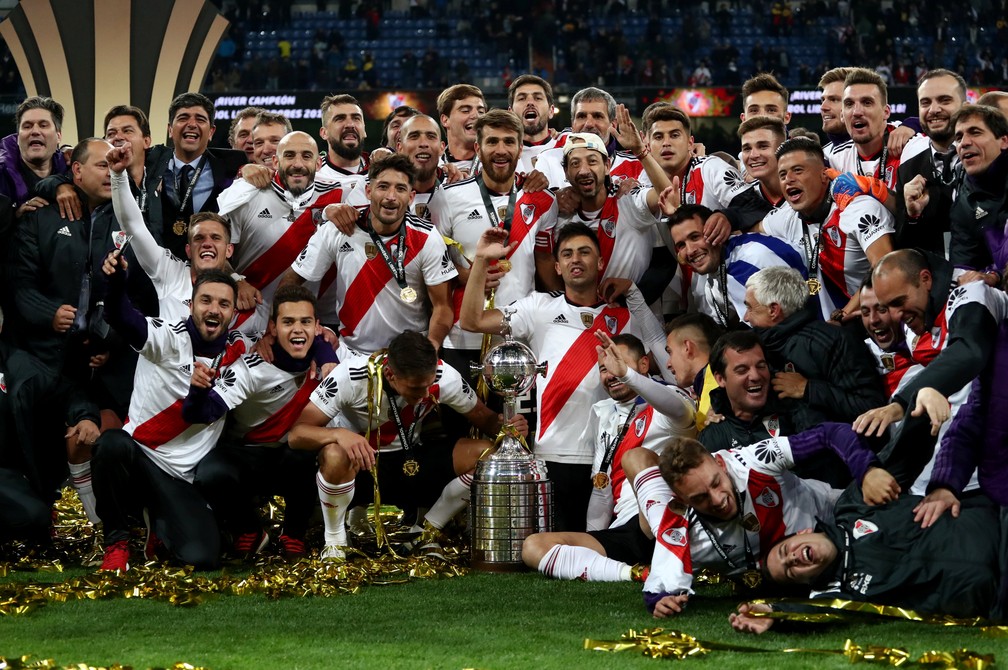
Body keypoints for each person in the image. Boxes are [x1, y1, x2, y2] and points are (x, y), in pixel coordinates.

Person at [459, 222, 651, 532]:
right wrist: (481, 260)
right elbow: (472, 320)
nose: (576, 259)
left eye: (585, 252)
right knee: (557, 550)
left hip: (613, 453)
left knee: (604, 548)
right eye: (567, 254)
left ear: (600, 262)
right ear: (558, 267)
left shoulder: (627, 318)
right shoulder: (539, 307)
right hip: (554, 455)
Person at [733, 416, 1004, 632]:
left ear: (802, 532)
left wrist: (921, 405)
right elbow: (817, 612)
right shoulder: (841, 594)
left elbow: (905, 455)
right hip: (999, 598)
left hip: (999, 529)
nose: (793, 559)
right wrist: (776, 613)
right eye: (790, 571)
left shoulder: (855, 503)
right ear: (805, 582)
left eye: (785, 552)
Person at [288, 331, 521, 560]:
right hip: (361, 466)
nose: (424, 395)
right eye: (415, 389)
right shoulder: (350, 375)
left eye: (428, 386)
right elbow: (297, 434)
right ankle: (335, 541)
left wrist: (509, 425)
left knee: (489, 454)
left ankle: (427, 529)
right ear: (390, 375)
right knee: (334, 453)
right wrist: (339, 434)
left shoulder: (442, 375)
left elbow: (486, 419)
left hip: (411, 462)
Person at [92, 257, 246, 571]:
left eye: (223, 304)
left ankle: (159, 524)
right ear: (191, 305)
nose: (214, 309)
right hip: (137, 459)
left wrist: (322, 351)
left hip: (180, 477)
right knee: (110, 444)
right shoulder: (166, 336)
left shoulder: (239, 362)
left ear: (233, 313)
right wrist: (117, 281)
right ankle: (116, 542)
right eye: (205, 300)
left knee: (202, 557)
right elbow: (121, 316)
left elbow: (198, 413)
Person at [635, 422, 880, 617]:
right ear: (682, 500)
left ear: (720, 463)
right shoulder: (679, 529)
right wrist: (662, 602)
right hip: (795, 573)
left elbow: (830, 433)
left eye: (716, 483)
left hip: (835, 512)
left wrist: (867, 471)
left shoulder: (754, 460)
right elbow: (660, 590)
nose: (718, 499)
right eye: (700, 498)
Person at [180, 285, 337, 561]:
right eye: (288, 322)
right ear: (273, 328)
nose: (298, 329)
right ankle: (248, 529)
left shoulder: (331, 361)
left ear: (317, 327)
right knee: (211, 473)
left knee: (306, 452)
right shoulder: (250, 368)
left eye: (305, 322)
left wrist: (326, 351)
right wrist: (198, 390)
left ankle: (295, 532)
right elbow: (204, 413)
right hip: (248, 455)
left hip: (296, 456)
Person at [522, 333, 696, 582]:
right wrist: (596, 539)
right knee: (533, 547)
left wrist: (628, 375)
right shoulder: (604, 414)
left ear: (643, 365)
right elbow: (602, 489)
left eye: (618, 364)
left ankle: (670, 550)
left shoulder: (667, 402)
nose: (611, 374)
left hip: (665, 519)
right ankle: (637, 574)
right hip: (627, 530)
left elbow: (677, 409)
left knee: (636, 458)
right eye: (604, 368)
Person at [428, 109, 559, 395]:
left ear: (520, 147)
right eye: (492, 142)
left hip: (518, 334)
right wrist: (467, 274)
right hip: (462, 337)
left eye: (509, 142)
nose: (501, 150)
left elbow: (544, 261)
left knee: (518, 429)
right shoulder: (448, 197)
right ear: (477, 147)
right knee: (464, 430)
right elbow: (432, 264)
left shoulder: (543, 200)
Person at [282, 153, 457, 356]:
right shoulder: (338, 229)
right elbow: (291, 283)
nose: (390, 197)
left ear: (410, 197)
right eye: (383, 186)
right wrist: (314, 329)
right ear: (368, 191)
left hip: (410, 356)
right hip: (349, 352)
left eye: (400, 189)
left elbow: (443, 307)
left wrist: (431, 347)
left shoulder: (427, 237)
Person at [743, 267, 885, 485]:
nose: (745, 316)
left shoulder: (832, 342)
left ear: (774, 310)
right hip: (788, 473)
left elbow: (871, 409)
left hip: (843, 472)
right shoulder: (754, 348)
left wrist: (808, 389)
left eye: (750, 308)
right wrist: (720, 406)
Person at [218, 131, 346, 332]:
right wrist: (236, 281)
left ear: (319, 164)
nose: (297, 164)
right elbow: (215, 253)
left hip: (304, 325)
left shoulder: (338, 194)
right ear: (275, 162)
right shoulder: (244, 194)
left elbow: (376, 184)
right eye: (289, 155)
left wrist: (381, 153)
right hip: (246, 317)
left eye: (306, 156)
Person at [759, 137, 894, 322]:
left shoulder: (857, 208)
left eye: (798, 170)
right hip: (846, 322)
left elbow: (884, 265)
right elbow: (753, 229)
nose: (789, 180)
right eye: (782, 175)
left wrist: (842, 317)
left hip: (888, 313)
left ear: (824, 175)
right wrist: (727, 218)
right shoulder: (789, 215)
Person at [0, 304, 101, 543]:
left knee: (34, 518)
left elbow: (67, 392)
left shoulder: (18, 364)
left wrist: (85, 416)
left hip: (5, 476)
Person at [555, 115, 670, 284]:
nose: (584, 170)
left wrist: (641, 152)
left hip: (632, 308)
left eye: (592, 161)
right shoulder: (559, 216)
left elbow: (668, 196)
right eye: (575, 164)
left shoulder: (629, 200)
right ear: (565, 172)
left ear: (607, 166)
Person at [669, 204, 806, 328]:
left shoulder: (753, 258)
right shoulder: (714, 277)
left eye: (695, 237)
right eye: (681, 245)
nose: (690, 250)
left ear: (715, 230)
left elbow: (791, 322)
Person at [145, 92, 247, 259]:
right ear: (170, 129)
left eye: (200, 119)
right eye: (183, 118)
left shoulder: (233, 164)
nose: (191, 124)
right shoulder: (150, 162)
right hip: (158, 271)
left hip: (211, 269)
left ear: (211, 132)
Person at [894, 69, 967, 255]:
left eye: (944, 100)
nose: (934, 109)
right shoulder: (908, 170)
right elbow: (904, 248)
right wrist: (912, 215)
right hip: (933, 279)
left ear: (965, 107)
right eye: (925, 102)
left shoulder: (985, 159)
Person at [947, 104, 1008, 281]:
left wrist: (995, 274)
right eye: (958, 137)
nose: (964, 143)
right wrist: (975, 279)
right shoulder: (964, 205)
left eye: (975, 132)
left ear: (1004, 141)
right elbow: (963, 267)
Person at [396, 114, 447, 219]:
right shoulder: (380, 189)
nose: (423, 143)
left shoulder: (456, 187)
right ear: (399, 147)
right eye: (414, 136)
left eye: (431, 136)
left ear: (442, 147)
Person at [507, 74, 559, 174]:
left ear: (551, 111)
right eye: (522, 98)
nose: (530, 102)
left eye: (538, 98)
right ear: (511, 113)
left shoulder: (567, 149)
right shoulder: (501, 156)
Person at [316, 93, 369, 185]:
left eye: (356, 118)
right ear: (324, 133)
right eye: (340, 119)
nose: (350, 125)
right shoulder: (313, 176)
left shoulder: (381, 170)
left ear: (364, 130)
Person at [436, 84, 486, 174]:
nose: (476, 116)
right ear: (445, 120)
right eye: (466, 110)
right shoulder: (434, 168)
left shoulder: (496, 164)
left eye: (481, 112)